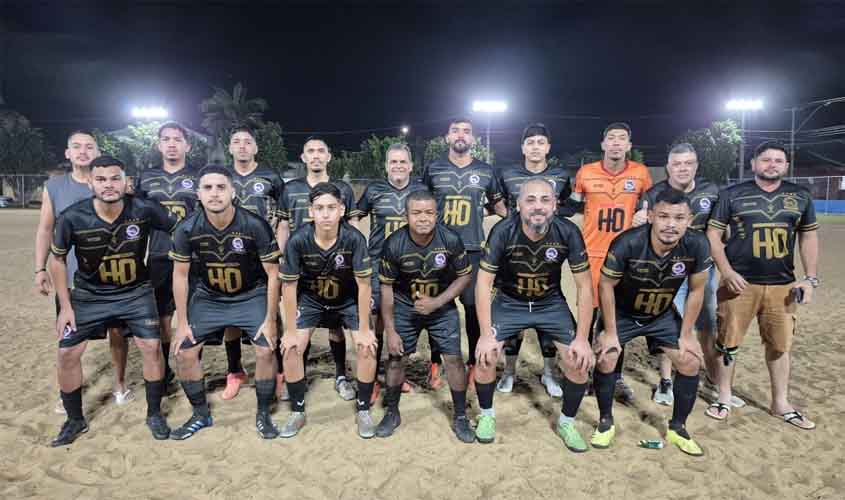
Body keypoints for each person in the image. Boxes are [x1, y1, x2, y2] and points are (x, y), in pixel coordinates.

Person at [49, 156, 176, 446]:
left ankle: (154, 414)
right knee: (67, 353)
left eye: (115, 178)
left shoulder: (144, 209)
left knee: (151, 347)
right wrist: (66, 306)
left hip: (136, 292)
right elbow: (56, 261)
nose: (109, 185)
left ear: (125, 180)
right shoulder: (71, 217)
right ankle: (75, 420)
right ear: (91, 182)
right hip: (89, 296)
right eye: (102, 179)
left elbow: (180, 229)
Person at [705, 141, 819, 429]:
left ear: (786, 166)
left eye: (778, 160)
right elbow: (712, 236)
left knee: (780, 347)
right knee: (727, 343)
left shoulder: (800, 196)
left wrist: (811, 277)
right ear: (753, 164)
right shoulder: (732, 195)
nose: (772, 164)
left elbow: (808, 238)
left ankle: (780, 403)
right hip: (739, 284)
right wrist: (726, 271)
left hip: (782, 285)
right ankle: (724, 396)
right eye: (766, 159)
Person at [473, 179, 594, 449]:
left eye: (544, 200)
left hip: (549, 303)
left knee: (578, 361)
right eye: (530, 200)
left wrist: (583, 338)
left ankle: (566, 422)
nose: (537, 207)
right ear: (518, 205)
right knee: (485, 356)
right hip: (509, 301)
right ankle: (487, 416)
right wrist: (485, 336)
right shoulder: (503, 231)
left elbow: (585, 286)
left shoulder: (568, 232)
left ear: (555, 205)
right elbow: (483, 283)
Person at [593, 188, 711, 456]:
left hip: (660, 314)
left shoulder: (697, 244)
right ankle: (605, 422)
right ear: (650, 217)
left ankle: (678, 427)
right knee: (607, 357)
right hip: (622, 313)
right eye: (664, 216)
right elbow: (606, 285)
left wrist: (687, 334)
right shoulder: (627, 242)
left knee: (689, 360)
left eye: (679, 218)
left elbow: (696, 290)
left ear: (689, 220)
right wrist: (610, 331)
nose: (671, 224)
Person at [168, 165, 282, 440]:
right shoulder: (187, 228)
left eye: (221, 187)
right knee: (184, 351)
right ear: (198, 193)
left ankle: (264, 413)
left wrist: (270, 319)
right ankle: (200, 414)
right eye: (207, 188)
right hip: (209, 297)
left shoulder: (254, 224)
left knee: (266, 350)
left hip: (250, 293)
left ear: (232, 191)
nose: (215, 194)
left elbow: (273, 273)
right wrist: (182, 323)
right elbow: (181, 276)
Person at [630, 143, 735, 407]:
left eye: (688, 163)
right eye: (677, 164)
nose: (682, 168)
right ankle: (666, 381)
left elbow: (721, 231)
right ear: (668, 168)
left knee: (708, 326)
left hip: (703, 271)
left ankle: (712, 377)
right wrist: (639, 219)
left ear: (696, 166)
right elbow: (640, 227)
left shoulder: (711, 191)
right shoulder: (654, 194)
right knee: (671, 325)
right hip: (667, 273)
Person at [34, 131, 130, 412]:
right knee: (70, 338)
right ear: (67, 153)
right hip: (72, 277)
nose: (83, 151)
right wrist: (40, 268)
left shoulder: (110, 183)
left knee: (117, 334)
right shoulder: (55, 186)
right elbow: (45, 229)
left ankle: (120, 385)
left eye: (89, 147)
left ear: (98, 152)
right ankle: (68, 392)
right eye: (76, 146)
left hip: (112, 274)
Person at [279, 182, 377, 438]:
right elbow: (288, 288)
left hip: (348, 299)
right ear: (311, 211)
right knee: (291, 348)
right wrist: (290, 330)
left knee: (367, 347)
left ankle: (364, 410)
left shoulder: (354, 239)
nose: (325, 214)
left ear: (342, 210)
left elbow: (364, 285)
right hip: (311, 299)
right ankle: (297, 411)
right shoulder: (298, 239)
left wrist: (365, 329)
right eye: (319, 208)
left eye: (331, 207)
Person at [376, 190, 474, 442]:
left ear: (437, 214)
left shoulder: (450, 239)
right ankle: (392, 412)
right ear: (406, 216)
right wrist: (391, 330)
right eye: (416, 213)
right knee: (396, 358)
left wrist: (438, 302)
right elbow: (386, 289)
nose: (423, 218)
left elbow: (465, 276)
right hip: (404, 306)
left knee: (453, 359)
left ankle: (461, 416)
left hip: (440, 307)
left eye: (429, 212)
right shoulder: (394, 244)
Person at [570, 122, 652, 403]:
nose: (616, 143)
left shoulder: (641, 174)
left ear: (629, 145)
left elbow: (651, 205)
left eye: (622, 139)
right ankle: (583, 373)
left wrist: (645, 215)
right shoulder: (585, 173)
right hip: (592, 255)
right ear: (603, 144)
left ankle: (613, 376)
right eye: (611, 138)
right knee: (587, 318)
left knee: (615, 320)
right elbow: (571, 206)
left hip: (626, 257)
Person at [422, 117, 506, 388]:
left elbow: (498, 204)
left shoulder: (485, 170)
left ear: (473, 139)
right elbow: (420, 205)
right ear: (447, 137)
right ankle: (436, 364)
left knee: (472, 309)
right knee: (438, 308)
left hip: (472, 251)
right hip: (438, 250)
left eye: (467, 131)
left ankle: (472, 364)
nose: (461, 135)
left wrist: (515, 220)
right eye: (455, 130)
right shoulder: (433, 168)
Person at [495, 123, 576, 397]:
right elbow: (495, 203)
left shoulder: (561, 175)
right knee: (511, 313)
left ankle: (550, 373)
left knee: (547, 308)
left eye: (541, 142)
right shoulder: (507, 174)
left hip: (547, 251)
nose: (535, 147)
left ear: (548, 148)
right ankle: (508, 371)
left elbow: (567, 204)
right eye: (530, 142)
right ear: (523, 148)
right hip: (512, 252)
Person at [278, 137, 361, 401]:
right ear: (303, 157)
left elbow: (353, 227)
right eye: (310, 151)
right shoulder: (290, 189)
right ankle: (294, 378)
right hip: (302, 267)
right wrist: (282, 258)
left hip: (336, 267)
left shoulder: (343, 189)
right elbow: (282, 226)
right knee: (300, 324)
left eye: (320, 151)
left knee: (336, 325)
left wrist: (354, 259)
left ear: (329, 156)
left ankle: (340, 375)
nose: (315, 156)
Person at [219, 126, 287, 401]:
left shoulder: (271, 176)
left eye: (248, 142)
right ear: (230, 148)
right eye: (237, 141)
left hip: (264, 255)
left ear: (256, 148)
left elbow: (282, 218)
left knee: (274, 311)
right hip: (228, 256)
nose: (243, 146)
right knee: (229, 314)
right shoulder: (222, 178)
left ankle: (280, 372)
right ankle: (235, 370)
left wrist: (279, 253)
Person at [357, 143, 427, 393]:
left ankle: (396, 376)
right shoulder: (374, 189)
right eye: (393, 162)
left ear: (410, 165)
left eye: (402, 162)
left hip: (411, 266)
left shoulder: (421, 190)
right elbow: (356, 216)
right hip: (378, 263)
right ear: (386, 166)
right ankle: (372, 378)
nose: (398, 166)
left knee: (403, 321)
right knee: (375, 321)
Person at [134, 122, 198, 384]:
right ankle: (164, 366)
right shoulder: (146, 178)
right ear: (159, 145)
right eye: (166, 139)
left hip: (193, 257)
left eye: (177, 139)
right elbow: (135, 218)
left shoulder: (199, 176)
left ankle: (192, 365)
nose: (172, 144)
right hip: (159, 254)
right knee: (163, 314)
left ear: (187, 145)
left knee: (193, 312)